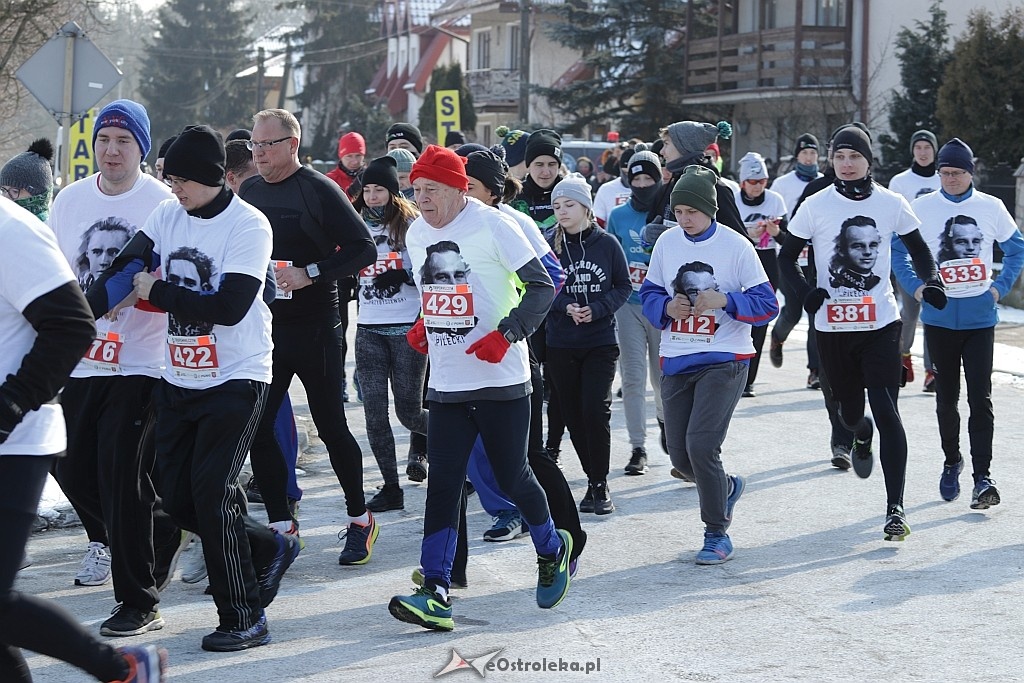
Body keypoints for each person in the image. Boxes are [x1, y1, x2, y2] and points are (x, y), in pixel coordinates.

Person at [87, 124, 299, 652]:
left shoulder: (249, 226)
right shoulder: (167, 214)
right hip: (178, 375)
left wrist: (156, 288)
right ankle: (270, 547)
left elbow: (229, 308)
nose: (173, 188)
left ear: (212, 178)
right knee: (178, 500)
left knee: (213, 495)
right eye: (169, 177)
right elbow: (127, 263)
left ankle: (245, 617)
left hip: (237, 376)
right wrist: (78, 315)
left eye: (182, 179)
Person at [389, 145, 571, 632]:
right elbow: (437, 291)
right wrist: (424, 323)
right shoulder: (417, 233)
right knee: (443, 487)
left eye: (430, 190)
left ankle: (552, 548)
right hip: (447, 382)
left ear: (458, 188)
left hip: (501, 379)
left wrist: (508, 333)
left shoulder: (494, 224)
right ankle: (436, 589)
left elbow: (543, 286)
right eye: (416, 190)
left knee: (513, 477)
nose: (420, 199)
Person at [1, 195, 168, 683]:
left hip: (15, 443)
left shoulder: (11, 232)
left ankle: (122, 669)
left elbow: (72, 325)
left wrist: (8, 405)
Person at [48, 100, 183, 635]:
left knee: (122, 478)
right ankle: (161, 528)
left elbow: (173, 277)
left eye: (124, 141)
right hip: (81, 358)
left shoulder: (162, 203)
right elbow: (58, 270)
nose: (111, 149)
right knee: (69, 465)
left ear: (142, 150)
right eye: (105, 139)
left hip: (140, 361)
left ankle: (138, 600)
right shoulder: (70, 199)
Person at [778, 124, 947, 541]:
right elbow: (786, 259)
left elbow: (920, 250)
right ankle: (860, 433)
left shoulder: (891, 202)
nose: (847, 164)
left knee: (889, 411)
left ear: (869, 160)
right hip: (833, 329)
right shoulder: (816, 205)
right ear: (831, 161)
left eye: (854, 157)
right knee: (850, 414)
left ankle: (895, 509)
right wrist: (805, 293)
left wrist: (934, 280)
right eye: (839, 157)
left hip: (880, 325)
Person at [239, 109, 378, 564]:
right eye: (254, 146)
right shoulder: (252, 190)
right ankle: (282, 526)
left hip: (318, 326)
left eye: (267, 145)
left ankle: (360, 519)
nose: (258, 153)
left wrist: (311, 273)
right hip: (268, 327)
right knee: (258, 426)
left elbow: (363, 248)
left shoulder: (319, 188)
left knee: (331, 425)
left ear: (292, 145)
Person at [639, 165, 777, 564]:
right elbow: (649, 292)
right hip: (678, 356)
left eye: (692, 212)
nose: (684, 219)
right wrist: (666, 306)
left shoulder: (736, 246)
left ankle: (716, 534)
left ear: (710, 210)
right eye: (678, 211)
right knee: (681, 458)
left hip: (725, 358)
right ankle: (726, 486)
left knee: (702, 445)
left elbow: (768, 305)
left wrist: (727, 301)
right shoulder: (667, 243)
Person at [892, 137, 1024, 509]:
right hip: (939, 320)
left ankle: (983, 477)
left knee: (980, 399)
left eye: (957, 173)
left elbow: (1017, 248)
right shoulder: (921, 208)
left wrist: (998, 289)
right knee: (946, 400)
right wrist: (917, 290)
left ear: (970, 172)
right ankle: (952, 461)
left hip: (981, 319)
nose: (949, 179)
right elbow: (897, 251)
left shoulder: (991, 207)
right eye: (944, 172)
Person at [545, 174, 630, 513]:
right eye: (556, 206)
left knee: (595, 410)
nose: (562, 211)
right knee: (572, 413)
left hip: (599, 340)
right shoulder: (548, 243)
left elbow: (623, 286)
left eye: (569, 205)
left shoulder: (607, 244)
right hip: (561, 341)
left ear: (586, 207)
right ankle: (592, 479)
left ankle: (600, 482)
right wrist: (564, 304)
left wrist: (595, 309)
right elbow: (536, 284)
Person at [351, 155, 428, 513]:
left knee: (410, 413)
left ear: (393, 192)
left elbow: (434, 270)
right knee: (374, 415)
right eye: (367, 189)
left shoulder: (412, 224)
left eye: (379, 189)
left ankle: (467, 455)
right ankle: (391, 487)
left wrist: (404, 276)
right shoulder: (355, 224)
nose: (372, 196)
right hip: (368, 329)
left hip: (406, 330)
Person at [605, 144, 667, 472]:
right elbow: (611, 258)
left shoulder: (670, 211)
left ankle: (664, 420)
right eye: (636, 179)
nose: (642, 185)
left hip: (661, 306)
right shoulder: (618, 216)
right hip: (627, 305)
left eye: (649, 179)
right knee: (632, 377)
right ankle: (638, 446)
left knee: (661, 378)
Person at [768, 133, 823, 390]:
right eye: (805, 153)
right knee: (793, 309)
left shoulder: (825, 182)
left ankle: (815, 370)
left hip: (815, 257)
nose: (809, 157)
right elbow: (776, 218)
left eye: (813, 153)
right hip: (789, 254)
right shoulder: (782, 184)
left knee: (815, 311)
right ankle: (778, 336)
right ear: (797, 156)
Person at [888, 130, 941, 390]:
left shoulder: (945, 178)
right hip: (908, 257)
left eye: (927, 147)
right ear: (912, 150)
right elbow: (891, 218)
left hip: (937, 258)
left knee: (932, 311)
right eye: (918, 147)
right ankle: (903, 356)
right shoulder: (900, 182)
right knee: (909, 313)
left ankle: (932, 370)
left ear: (934, 150)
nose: (923, 152)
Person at [734, 151, 787, 397]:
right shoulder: (732, 200)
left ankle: (748, 380)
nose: (757, 187)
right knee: (736, 318)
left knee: (760, 320)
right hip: (739, 262)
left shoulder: (775, 200)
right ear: (743, 182)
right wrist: (748, 236)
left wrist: (775, 232)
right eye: (752, 182)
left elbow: (787, 240)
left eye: (762, 181)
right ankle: (732, 371)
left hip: (767, 262)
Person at [0, 138, 54, 221]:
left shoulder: (49, 232)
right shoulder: (5, 227)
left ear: (40, 196)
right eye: (3, 190)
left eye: (15, 191)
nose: (6, 198)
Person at [592, 147, 634, 228]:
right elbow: (597, 223)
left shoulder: (648, 188)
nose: (628, 177)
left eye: (632, 173)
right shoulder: (606, 189)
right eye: (625, 172)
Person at [326, 131, 366, 198]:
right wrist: (351, 193)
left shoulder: (371, 177)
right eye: (349, 156)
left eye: (358, 155)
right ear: (341, 156)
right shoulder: (330, 180)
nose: (355, 161)